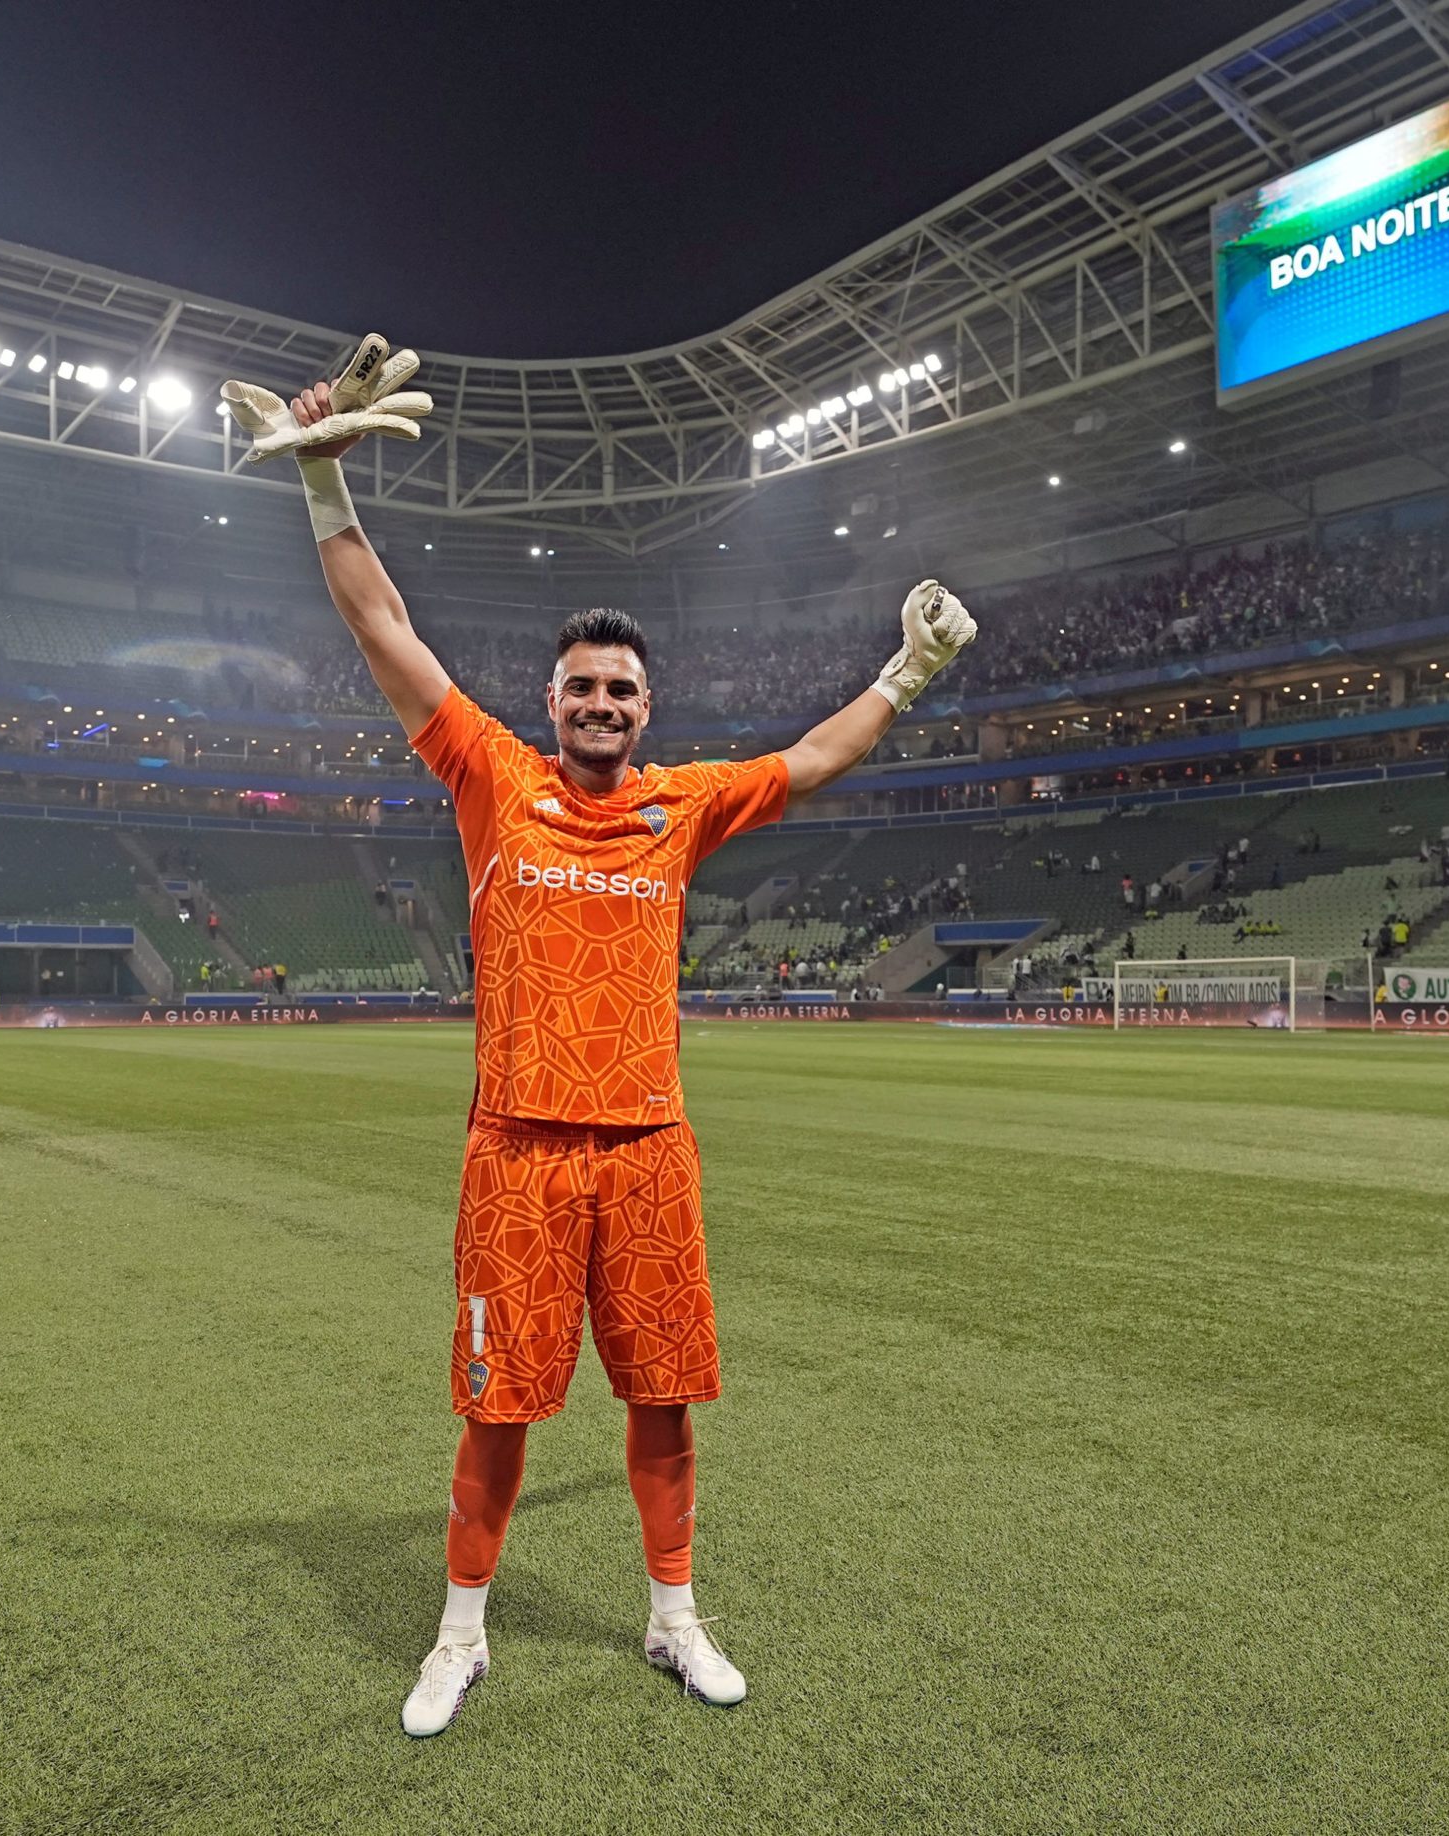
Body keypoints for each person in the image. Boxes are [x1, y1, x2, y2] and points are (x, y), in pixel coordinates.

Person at [239, 337, 978, 1737]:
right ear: (551, 699)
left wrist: (908, 672)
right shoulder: (489, 774)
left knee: (667, 1401)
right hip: (515, 1151)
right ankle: (461, 1635)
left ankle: (673, 1621)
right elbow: (382, 629)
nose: (599, 704)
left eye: (621, 692)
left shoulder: (684, 803)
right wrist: (325, 485)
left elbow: (815, 758)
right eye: (580, 686)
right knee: (498, 1410)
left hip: (648, 1150)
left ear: (648, 710)